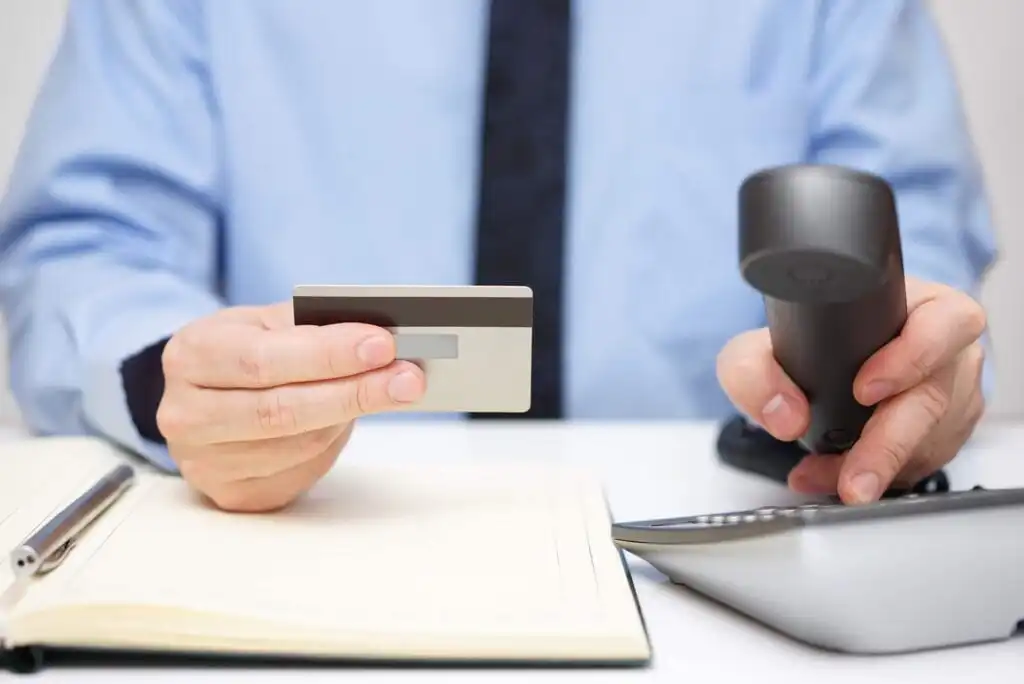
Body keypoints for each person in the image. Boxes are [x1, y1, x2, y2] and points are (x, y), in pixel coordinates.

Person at [0, 0, 997, 513]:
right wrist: (180, 385)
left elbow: (914, 248)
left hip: (739, 547)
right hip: (303, 534)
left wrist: (898, 378)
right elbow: (83, 247)